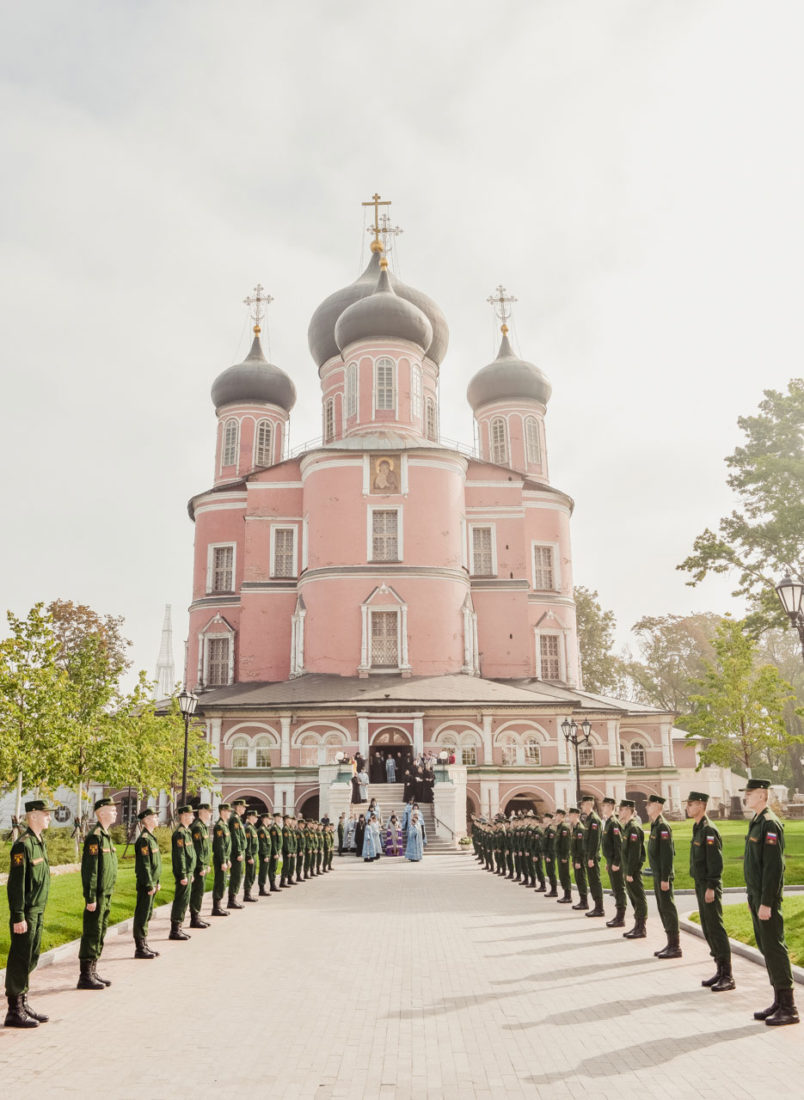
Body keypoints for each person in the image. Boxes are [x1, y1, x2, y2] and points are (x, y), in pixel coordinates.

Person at [741, 777, 799, 1025]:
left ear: (762, 794)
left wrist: (766, 901)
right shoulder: (756, 822)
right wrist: (753, 896)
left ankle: (789, 1007)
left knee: (775, 947)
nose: (746, 796)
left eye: (750, 793)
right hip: (756, 895)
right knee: (767, 947)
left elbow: (774, 868)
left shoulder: (770, 824)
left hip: (767, 899)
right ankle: (778, 999)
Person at [4, 798, 53, 1028]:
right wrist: (18, 916)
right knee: (20, 958)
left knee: (31, 957)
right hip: (27, 912)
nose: (49, 817)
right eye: (46, 814)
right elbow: (15, 885)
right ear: (32, 816)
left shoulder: (38, 842)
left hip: (38, 911)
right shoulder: (22, 845)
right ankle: (14, 1010)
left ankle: (23, 1001)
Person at [686, 791, 732, 988]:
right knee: (707, 927)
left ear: (701, 805)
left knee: (715, 927)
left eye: (691, 804)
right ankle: (719, 970)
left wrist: (711, 886)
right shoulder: (697, 828)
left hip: (708, 885)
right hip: (700, 883)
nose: (687, 807)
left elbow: (715, 861)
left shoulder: (708, 830)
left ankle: (727, 976)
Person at [77, 797, 119, 991]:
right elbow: (91, 870)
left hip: (106, 893)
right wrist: (91, 896)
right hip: (98, 894)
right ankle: (85, 975)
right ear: (101, 813)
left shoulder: (105, 835)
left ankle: (93, 970)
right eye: (112, 810)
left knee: (100, 931)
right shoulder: (95, 836)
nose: (115, 813)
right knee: (93, 931)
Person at [646, 794, 681, 959]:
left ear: (658, 806)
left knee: (668, 908)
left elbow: (667, 855)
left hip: (663, 875)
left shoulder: (663, 827)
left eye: (650, 804)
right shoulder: (655, 825)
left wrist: (665, 878)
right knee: (662, 908)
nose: (647, 807)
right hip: (657, 873)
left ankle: (675, 946)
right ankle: (670, 943)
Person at [133, 807, 161, 959]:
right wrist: (150, 884)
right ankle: (140, 947)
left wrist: (157, 881)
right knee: (142, 915)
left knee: (147, 913)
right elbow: (144, 865)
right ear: (148, 820)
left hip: (152, 882)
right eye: (155, 817)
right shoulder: (144, 840)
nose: (157, 819)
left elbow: (155, 864)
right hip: (146, 884)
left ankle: (144, 944)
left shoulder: (150, 838)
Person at [619, 799, 647, 939]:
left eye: (622, 809)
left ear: (629, 810)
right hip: (628, 870)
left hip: (633, 871)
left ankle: (641, 927)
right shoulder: (627, 827)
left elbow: (635, 853)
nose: (619, 812)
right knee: (633, 897)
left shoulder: (634, 828)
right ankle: (637, 926)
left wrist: (630, 872)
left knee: (638, 898)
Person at [170, 805, 197, 941]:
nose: (193, 817)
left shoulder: (187, 832)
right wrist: (183, 874)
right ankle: (175, 930)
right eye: (191, 815)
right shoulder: (180, 833)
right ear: (184, 816)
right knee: (181, 900)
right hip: (184, 872)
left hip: (189, 871)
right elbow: (179, 855)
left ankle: (179, 927)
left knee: (185, 900)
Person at [601, 798, 627, 928]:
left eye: (605, 806)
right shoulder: (608, 822)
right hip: (611, 861)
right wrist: (608, 861)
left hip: (616, 863)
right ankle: (618, 915)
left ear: (611, 807)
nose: (603, 808)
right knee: (615, 889)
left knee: (618, 888)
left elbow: (618, 846)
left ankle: (621, 917)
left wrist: (616, 862)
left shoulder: (614, 823)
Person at [581, 795, 605, 917]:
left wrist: (591, 857)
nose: (581, 806)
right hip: (588, 855)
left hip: (592, 856)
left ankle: (600, 908)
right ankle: (597, 906)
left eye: (583, 804)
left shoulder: (594, 820)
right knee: (592, 881)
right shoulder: (588, 819)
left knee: (595, 881)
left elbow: (595, 841)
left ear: (590, 804)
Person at [190, 803, 212, 925]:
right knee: (197, 891)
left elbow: (205, 849)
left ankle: (197, 915)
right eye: (208, 812)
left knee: (200, 890)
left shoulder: (203, 826)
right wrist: (201, 866)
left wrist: (206, 863)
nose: (210, 814)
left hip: (202, 865)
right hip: (198, 867)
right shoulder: (197, 827)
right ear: (202, 811)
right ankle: (195, 918)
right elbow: (198, 849)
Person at [211, 802, 233, 916]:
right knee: (220, 882)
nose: (229, 813)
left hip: (224, 858)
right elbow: (220, 845)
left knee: (223, 882)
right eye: (228, 811)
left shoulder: (225, 825)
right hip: (220, 859)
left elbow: (226, 844)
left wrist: (227, 859)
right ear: (223, 811)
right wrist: (223, 860)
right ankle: (216, 907)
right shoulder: (219, 826)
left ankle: (218, 906)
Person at [227, 798, 247, 908]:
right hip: (236, 853)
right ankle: (231, 900)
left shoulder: (238, 819)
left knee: (239, 875)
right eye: (243, 807)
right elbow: (235, 837)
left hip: (239, 852)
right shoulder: (234, 819)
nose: (244, 809)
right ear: (238, 807)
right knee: (236, 876)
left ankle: (233, 898)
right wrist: (239, 852)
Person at [568, 808, 588, 910]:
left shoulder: (580, 829)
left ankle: (584, 902)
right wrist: (573, 860)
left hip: (579, 860)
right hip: (576, 859)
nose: (569, 817)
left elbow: (581, 848)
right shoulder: (575, 828)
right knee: (578, 879)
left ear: (576, 815)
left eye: (570, 815)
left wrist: (578, 861)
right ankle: (582, 901)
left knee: (581, 880)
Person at [553, 809, 572, 903]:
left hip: (563, 856)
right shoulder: (559, 827)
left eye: (556, 815)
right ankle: (565, 895)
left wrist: (565, 856)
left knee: (565, 875)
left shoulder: (564, 828)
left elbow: (566, 844)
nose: (555, 817)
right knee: (561, 875)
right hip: (560, 855)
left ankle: (568, 896)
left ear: (561, 816)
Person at [243, 807, 259, 901]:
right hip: (251, 855)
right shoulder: (248, 828)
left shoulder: (253, 828)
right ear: (250, 817)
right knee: (249, 875)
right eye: (255, 817)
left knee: (252, 875)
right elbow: (248, 844)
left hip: (254, 855)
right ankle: (247, 894)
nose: (257, 819)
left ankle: (249, 893)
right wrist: (249, 856)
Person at [257, 811, 273, 895]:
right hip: (264, 855)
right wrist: (265, 855)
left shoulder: (266, 830)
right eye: (269, 819)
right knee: (263, 871)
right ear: (265, 819)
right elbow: (262, 844)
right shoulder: (262, 830)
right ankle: (261, 889)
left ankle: (263, 888)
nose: (270, 820)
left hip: (267, 854)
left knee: (265, 871)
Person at [541, 813, 557, 896]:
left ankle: (554, 891)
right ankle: (552, 890)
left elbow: (552, 845)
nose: (543, 819)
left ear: (549, 819)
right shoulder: (547, 830)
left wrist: (549, 856)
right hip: (547, 854)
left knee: (551, 872)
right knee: (549, 872)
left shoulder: (551, 830)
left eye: (545, 818)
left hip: (550, 855)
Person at [268, 812, 283, 891]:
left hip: (277, 851)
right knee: (272, 868)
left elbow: (279, 842)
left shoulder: (278, 827)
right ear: (276, 818)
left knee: (275, 867)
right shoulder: (274, 828)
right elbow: (273, 842)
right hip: (274, 852)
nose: (280, 819)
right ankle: (272, 885)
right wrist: (275, 852)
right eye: (279, 817)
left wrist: (279, 850)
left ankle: (273, 885)